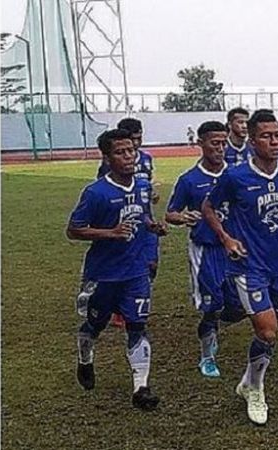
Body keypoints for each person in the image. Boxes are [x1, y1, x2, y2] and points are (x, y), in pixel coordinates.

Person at [202, 110, 278, 426]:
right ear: (251, 139)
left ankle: (247, 382)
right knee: (269, 331)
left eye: (277, 135)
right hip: (248, 266)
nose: (274, 141)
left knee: (270, 329)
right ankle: (256, 390)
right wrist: (226, 238)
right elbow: (208, 207)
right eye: (266, 135)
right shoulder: (235, 177)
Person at [69, 128, 168, 410]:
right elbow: (73, 231)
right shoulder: (95, 192)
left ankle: (141, 388)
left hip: (136, 271)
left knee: (137, 325)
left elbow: (144, 216)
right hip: (103, 274)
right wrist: (110, 233)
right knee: (95, 325)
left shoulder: (142, 186)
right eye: (120, 152)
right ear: (107, 157)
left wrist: (153, 227)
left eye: (131, 150)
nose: (128, 156)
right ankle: (85, 359)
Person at [165, 120, 245, 378]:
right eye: (214, 143)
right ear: (201, 144)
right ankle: (207, 357)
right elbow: (171, 213)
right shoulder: (189, 180)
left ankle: (214, 327)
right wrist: (182, 216)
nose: (220, 148)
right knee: (211, 306)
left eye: (223, 143)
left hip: (235, 248)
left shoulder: (237, 175)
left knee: (239, 306)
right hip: (205, 249)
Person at [95, 118, 159, 329]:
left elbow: (147, 184)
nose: (137, 143)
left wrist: (152, 194)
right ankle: (119, 308)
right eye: (134, 139)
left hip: (146, 220)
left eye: (140, 137)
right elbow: (105, 186)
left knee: (151, 264)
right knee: (127, 264)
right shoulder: (110, 164)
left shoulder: (147, 159)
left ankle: (135, 302)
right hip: (122, 224)